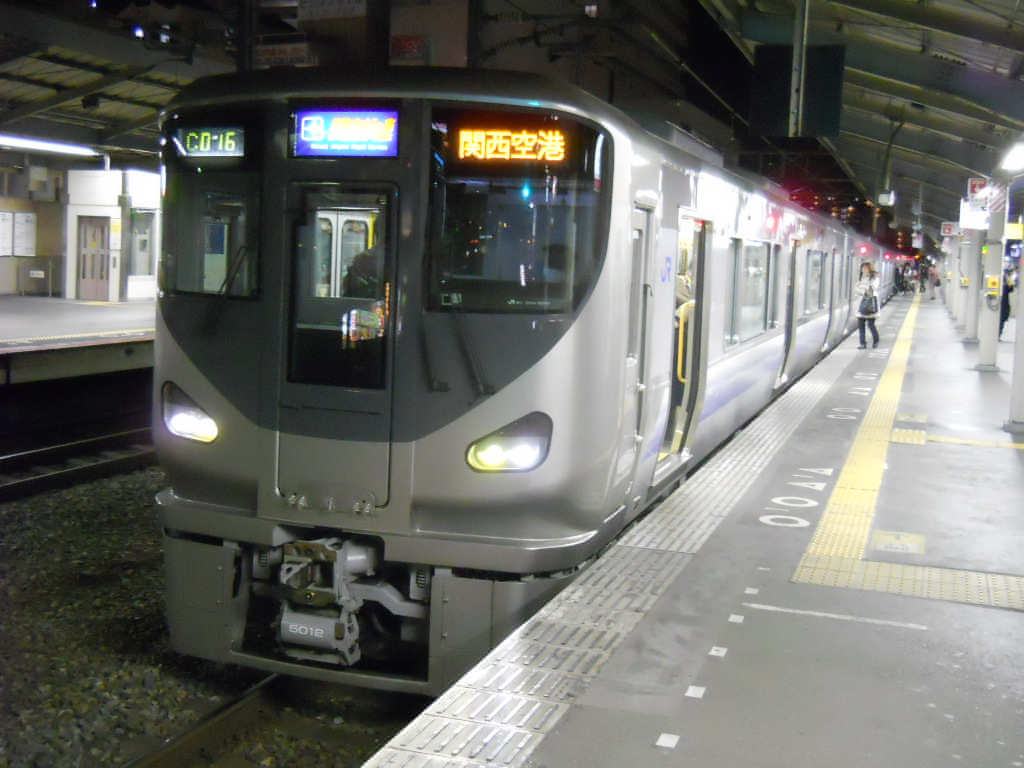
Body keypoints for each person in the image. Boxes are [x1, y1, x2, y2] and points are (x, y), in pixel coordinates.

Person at [855, 261, 880, 349]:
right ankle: (862, 343)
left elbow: (871, 290)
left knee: (871, 325)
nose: (863, 270)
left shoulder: (874, 278)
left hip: (870, 304)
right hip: (861, 304)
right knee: (861, 325)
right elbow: (856, 288)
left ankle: (876, 341)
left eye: (865, 268)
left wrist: (861, 289)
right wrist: (862, 289)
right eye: (862, 268)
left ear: (869, 269)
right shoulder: (861, 278)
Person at [999, 267, 1016, 339]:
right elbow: (1011, 289)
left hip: (1003, 302)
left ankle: (997, 334)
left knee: (1001, 319)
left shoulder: (1005, 279)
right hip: (1004, 303)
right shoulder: (1006, 280)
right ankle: (998, 334)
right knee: (1002, 320)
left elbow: (1011, 289)